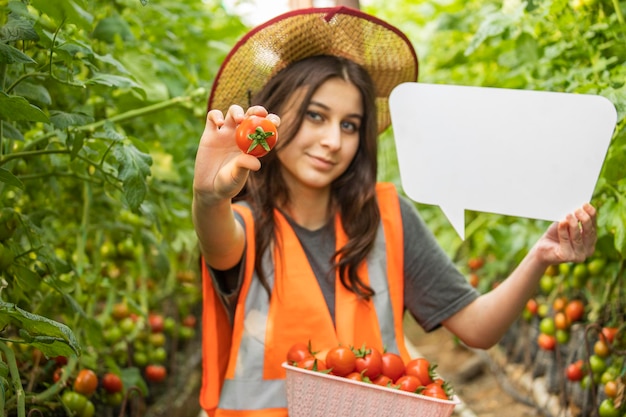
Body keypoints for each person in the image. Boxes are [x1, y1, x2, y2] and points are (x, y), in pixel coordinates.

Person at [192, 6, 597, 416]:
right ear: (275, 119)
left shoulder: (386, 217)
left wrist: (542, 254)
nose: (333, 140)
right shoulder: (243, 226)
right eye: (316, 116)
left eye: (350, 125)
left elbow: (478, 326)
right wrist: (209, 198)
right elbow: (216, 234)